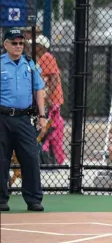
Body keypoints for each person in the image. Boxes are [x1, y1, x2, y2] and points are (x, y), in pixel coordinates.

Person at [0, 29, 47, 212]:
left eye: (21, 43)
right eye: (14, 43)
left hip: (24, 118)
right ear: (6, 45)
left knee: (30, 157)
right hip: (2, 118)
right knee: (1, 159)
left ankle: (33, 199)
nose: (18, 46)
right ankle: (1, 200)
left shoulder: (30, 64)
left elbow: (39, 90)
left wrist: (42, 116)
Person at [34, 35, 66, 164]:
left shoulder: (47, 57)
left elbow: (54, 78)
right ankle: (51, 157)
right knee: (49, 128)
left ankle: (52, 158)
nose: (34, 47)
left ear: (41, 47)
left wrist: (46, 97)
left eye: (36, 45)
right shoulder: (40, 59)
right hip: (47, 100)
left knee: (51, 128)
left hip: (51, 101)